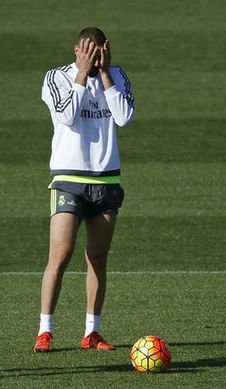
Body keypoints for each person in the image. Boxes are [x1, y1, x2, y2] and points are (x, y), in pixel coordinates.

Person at [33, 27, 135, 352]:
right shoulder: (57, 77)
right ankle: (45, 331)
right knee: (60, 255)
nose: (91, 58)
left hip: (106, 181)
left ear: (106, 50)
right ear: (76, 49)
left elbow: (125, 117)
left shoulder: (117, 76)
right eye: (86, 52)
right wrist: (80, 74)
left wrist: (104, 75)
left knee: (98, 257)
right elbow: (65, 115)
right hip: (69, 180)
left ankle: (92, 332)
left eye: (97, 52)